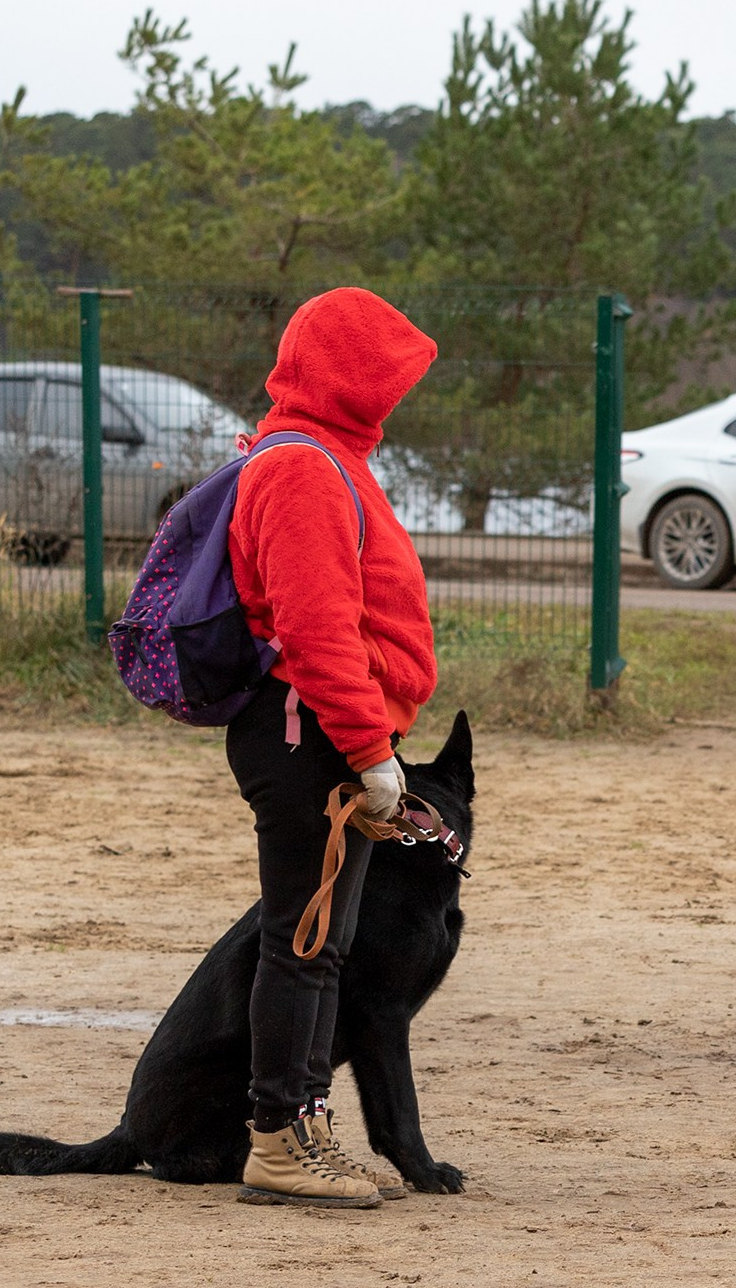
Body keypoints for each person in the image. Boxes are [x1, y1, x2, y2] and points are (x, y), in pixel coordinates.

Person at [227, 288, 438, 1207]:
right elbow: (317, 630)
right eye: (385, 379)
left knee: (325, 942)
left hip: (324, 736)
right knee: (302, 940)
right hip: (309, 738)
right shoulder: (305, 467)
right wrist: (370, 752)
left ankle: (306, 1127)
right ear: (349, 377)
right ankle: (277, 1141)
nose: (395, 398)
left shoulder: (327, 456)